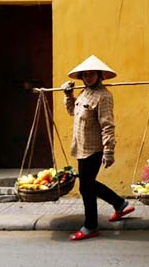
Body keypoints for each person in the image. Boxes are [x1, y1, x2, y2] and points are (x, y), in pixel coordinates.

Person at [60, 55, 134, 241]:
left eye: (92, 73)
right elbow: (72, 112)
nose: (88, 76)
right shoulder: (84, 93)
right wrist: (68, 96)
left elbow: (107, 124)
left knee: (86, 186)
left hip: (94, 148)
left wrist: (109, 151)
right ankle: (119, 204)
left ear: (100, 75)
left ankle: (91, 225)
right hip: (80, 146)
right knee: (87, 185)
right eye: (85, 74)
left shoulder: (104, 96)